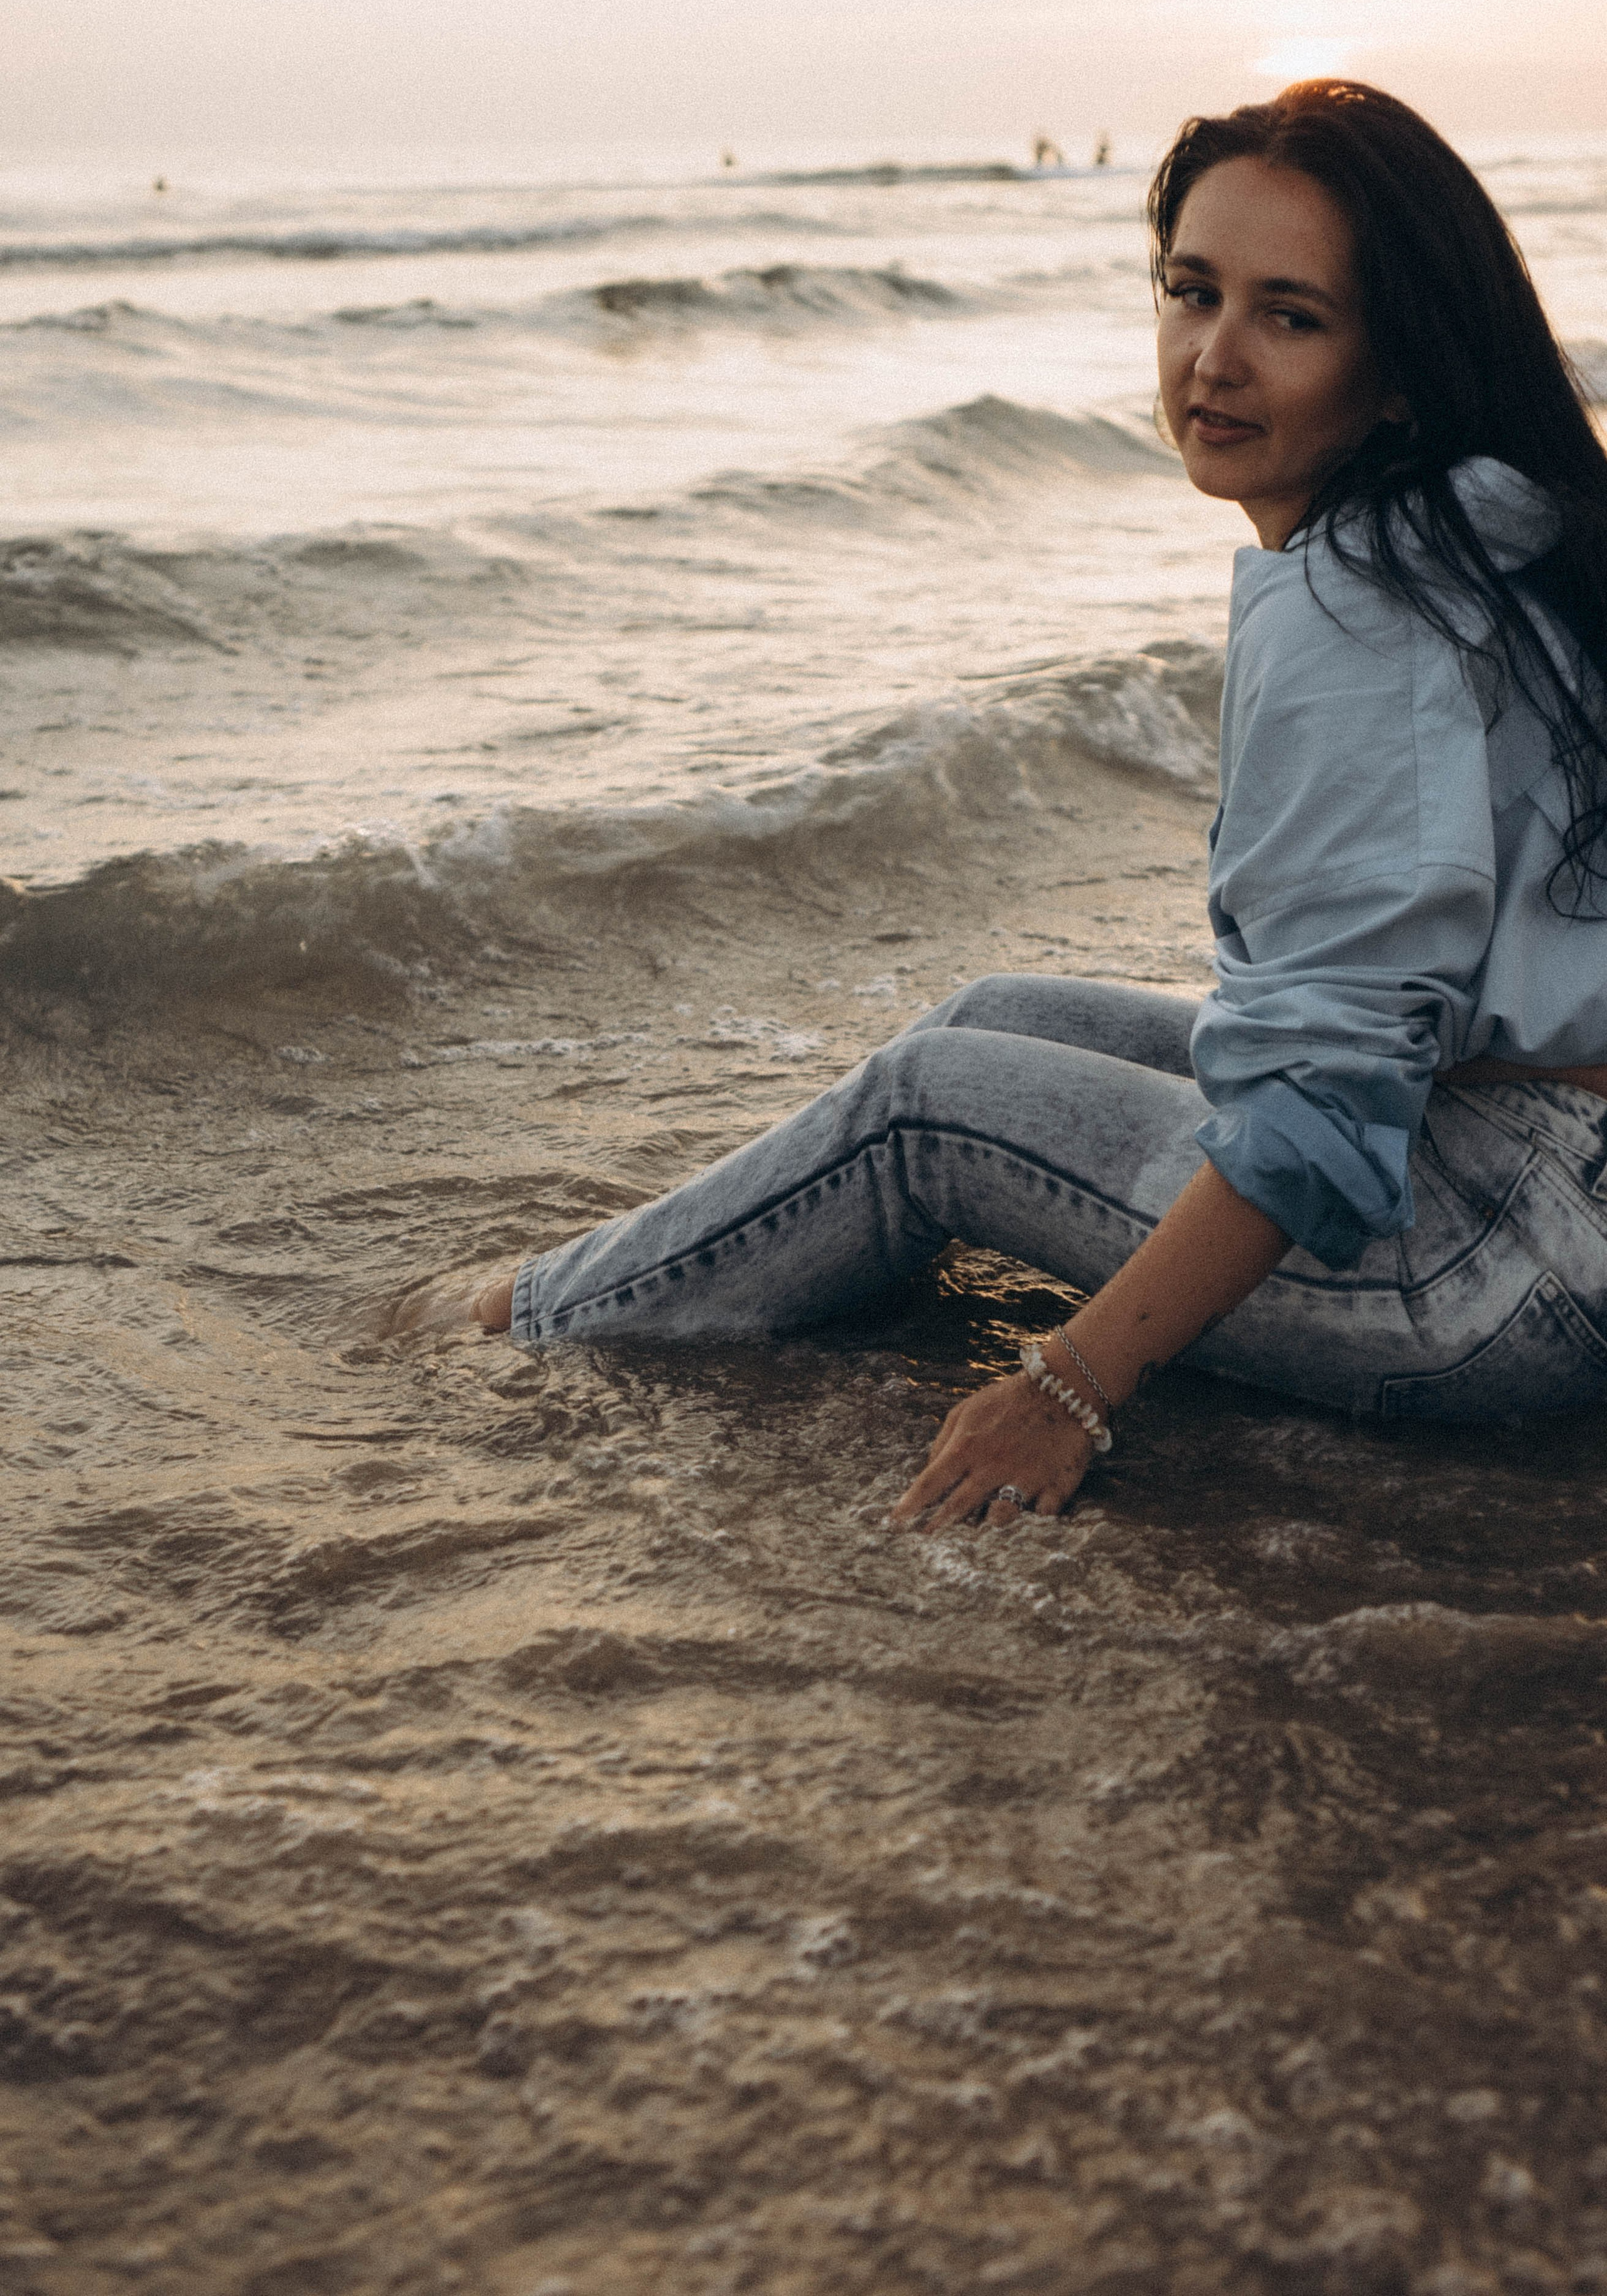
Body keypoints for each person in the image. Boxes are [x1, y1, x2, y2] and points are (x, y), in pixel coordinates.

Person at [468, 80, 1607, 1532]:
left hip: (1492, 1278)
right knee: (990, 1016)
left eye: (1289, 316)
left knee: (922, 1113)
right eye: (1190, 291)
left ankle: (528, 1327)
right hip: (1549, 1197)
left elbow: (1325, 1106)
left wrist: (1067, 1386)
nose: (1212, 358)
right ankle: (720, 1291)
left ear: (1395, 369)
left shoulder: (1356, 608)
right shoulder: (1496, 524)